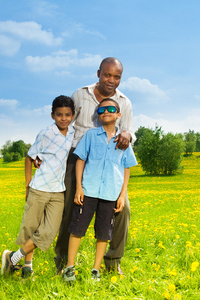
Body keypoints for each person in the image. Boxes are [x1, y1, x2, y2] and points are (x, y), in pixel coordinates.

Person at [52, 57, 135, 275]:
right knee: (71, 207)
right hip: (77, 157)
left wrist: (127, 133)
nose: (111, 80)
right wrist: (47, 150)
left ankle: (112, 260)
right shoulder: (80, 95)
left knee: (123, 209)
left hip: (108, 162)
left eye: (117, 77)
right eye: (107, 75)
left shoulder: (124, 103)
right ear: (98, 73)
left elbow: (126, 132)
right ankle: (63, 262)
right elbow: (64, 123)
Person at [62, 99, 137, 282]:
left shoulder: (124, 140)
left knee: (104, 233)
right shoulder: (90, 135)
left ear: (119, 115)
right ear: (98, 114)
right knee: (77, 229)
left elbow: (126, 168)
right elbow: (80, 160)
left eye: (111, 109)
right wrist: (79, 187)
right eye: (101, 109)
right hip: (88, 191)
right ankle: (69, 268)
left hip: (110, 194)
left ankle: (96, 270)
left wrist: (121, 196)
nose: (105, 111)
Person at [1, 95, 75, 279]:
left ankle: (12, 257)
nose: (63, 118)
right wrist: (27, 186)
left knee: (49, 231)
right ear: (52, 115)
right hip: (39, 188)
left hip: (58, 190)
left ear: (73, 115)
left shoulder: (74, 133)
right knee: (31, 227)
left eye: (67, 114)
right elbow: (29, 157)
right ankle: (27, 266)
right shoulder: (45, 133)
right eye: (59, 115)